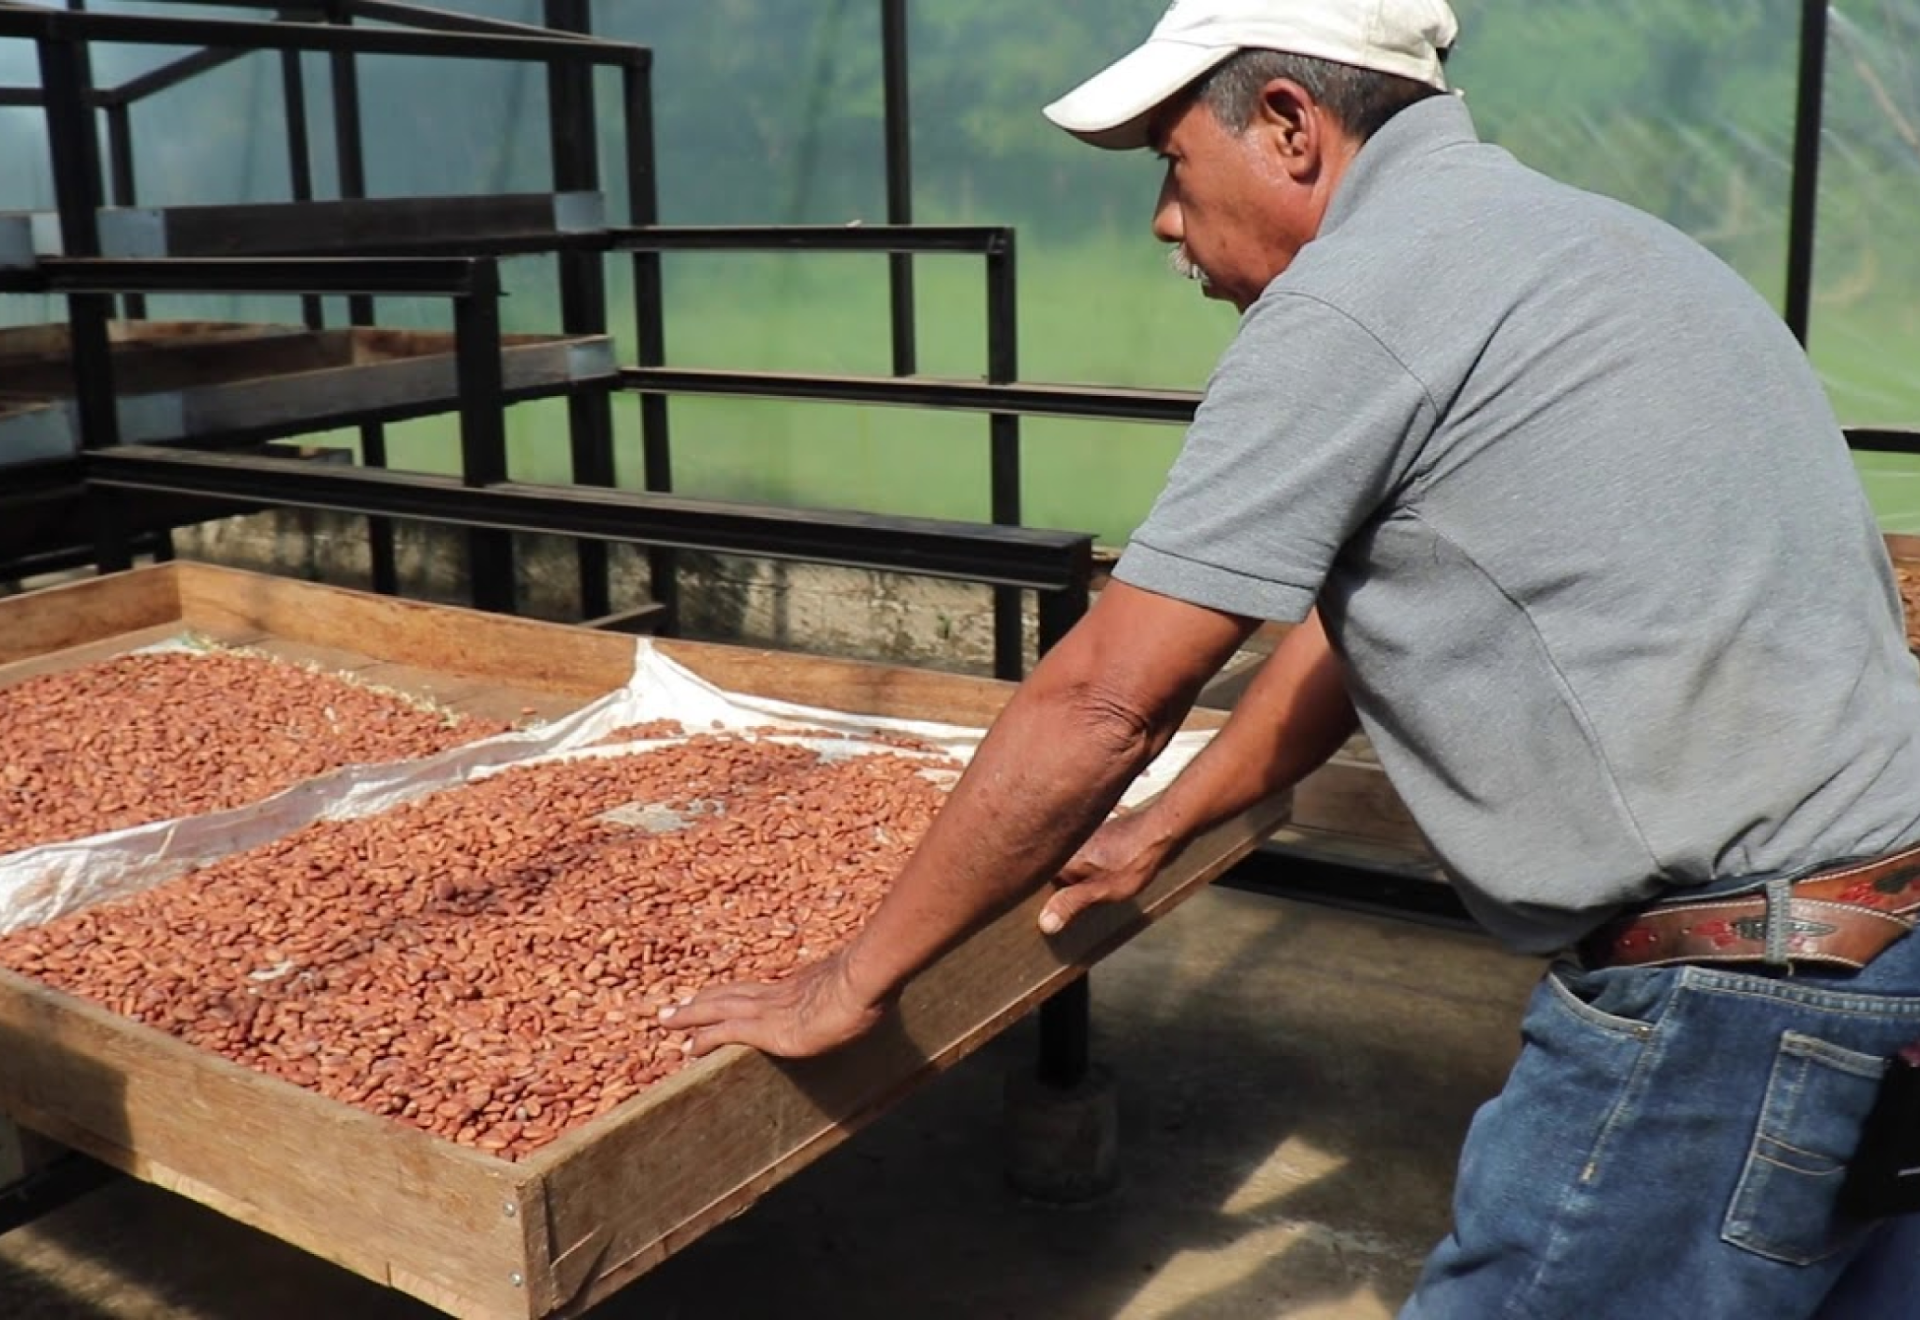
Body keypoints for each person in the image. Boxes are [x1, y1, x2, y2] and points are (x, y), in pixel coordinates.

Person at [664, 0, 1920, 1314]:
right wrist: (1169, 825)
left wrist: (851, 980)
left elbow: (1103, 699)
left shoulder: (1357, 299)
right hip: (1883, 951)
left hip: (1735, 1006)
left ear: (1287, 126)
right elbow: (1363, 611)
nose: (1163, 218)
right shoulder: (1594, 244)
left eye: (1170, 161)